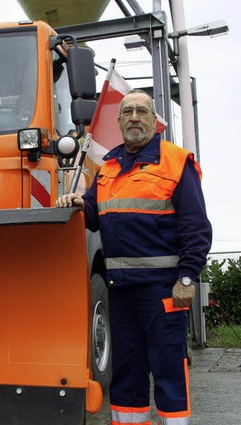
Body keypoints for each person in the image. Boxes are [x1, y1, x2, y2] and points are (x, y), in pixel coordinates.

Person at [56, 89, 212, 425]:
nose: (134, 117)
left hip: (163, 292)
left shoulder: (176, 161)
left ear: (154, 120)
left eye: (142, 111)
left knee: (169, 369)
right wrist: (80, 202)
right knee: (126, 372)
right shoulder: (109, 166)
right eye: (127, 112)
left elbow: (196, 228)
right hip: (121, 292)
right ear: (119, 120)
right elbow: (97, 213)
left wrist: (187, 278)